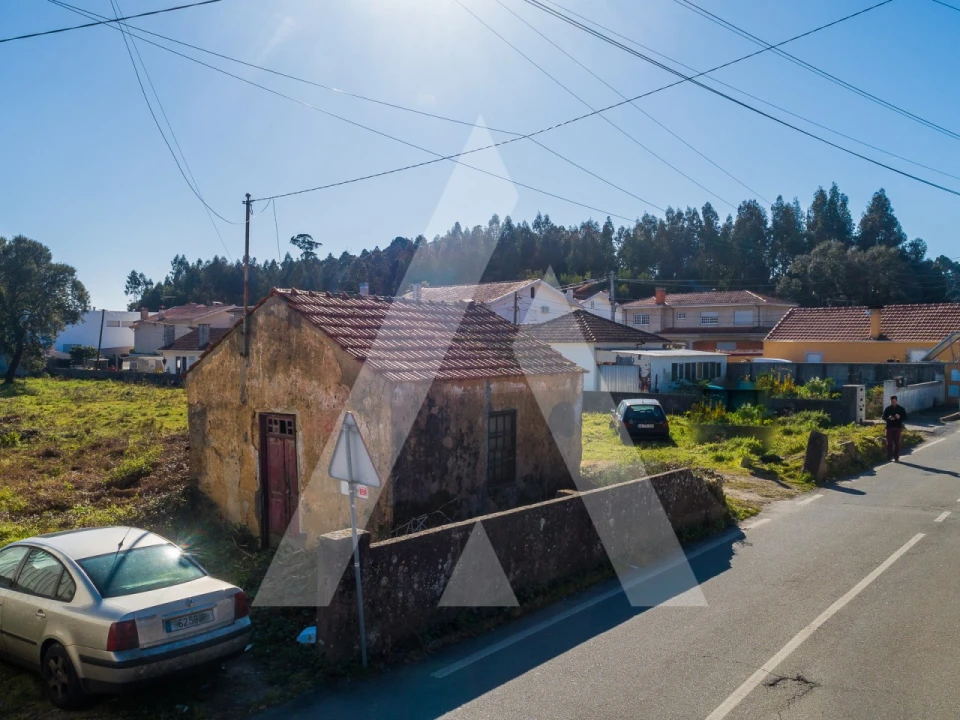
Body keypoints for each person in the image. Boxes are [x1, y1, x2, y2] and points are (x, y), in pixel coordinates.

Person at [882, 395, 908, 462]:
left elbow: (905, 417)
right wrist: (889, 418)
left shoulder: (901, 409)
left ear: (896, 401)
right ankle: (889, 457)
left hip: (897, 427)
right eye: (892, 401)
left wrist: (899, 417)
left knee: (897, 443)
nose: (893, 403)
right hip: (889, 428)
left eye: (894, 401)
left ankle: (896, 457)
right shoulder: (887, 409)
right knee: (889, 443)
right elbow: (883, 417)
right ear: (890, 401)